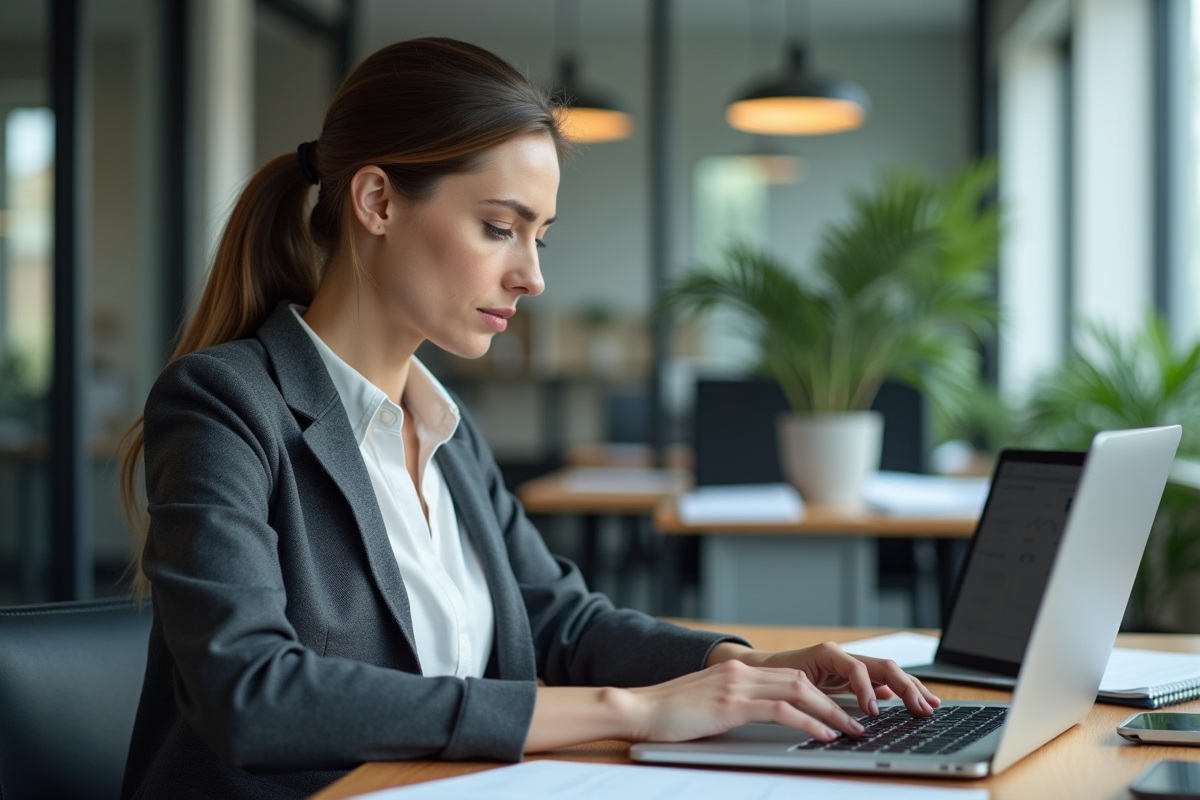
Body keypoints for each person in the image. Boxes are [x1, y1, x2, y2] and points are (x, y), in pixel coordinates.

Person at [116, 37, 940, 799]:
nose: (532, 276)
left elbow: (556, 617)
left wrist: (743, 665)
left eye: (539, 237)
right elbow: (253, 694)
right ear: (376, 200)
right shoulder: (225, 403)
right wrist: (634, 711)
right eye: (499, 228)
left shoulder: (444, 425)